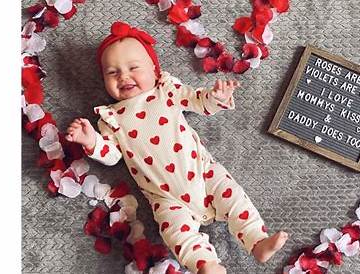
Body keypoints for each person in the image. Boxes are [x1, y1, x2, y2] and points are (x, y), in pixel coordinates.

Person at [65, 21, 288, 274]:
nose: (124, 76)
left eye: (133, 67)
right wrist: (91, 141)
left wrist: (216, 97)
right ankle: (207, 265)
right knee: (176, 235)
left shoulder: (166, 91)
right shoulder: (111, 118)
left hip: (204, 173)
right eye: (112, 73)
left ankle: (257, 241)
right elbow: (112, 155)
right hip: (165, 197)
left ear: (153, 68)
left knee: (235, 199)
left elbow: (197, 101)